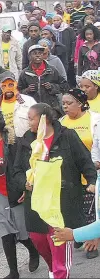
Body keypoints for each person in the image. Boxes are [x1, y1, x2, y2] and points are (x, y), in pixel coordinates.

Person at [13, 103, 97, 279]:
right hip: (36, 203)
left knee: (59, 243)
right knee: (38, 239)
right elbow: (16, 171)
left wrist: (91, 181)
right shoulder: (26, 140)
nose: (28, 123)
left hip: (62, 203)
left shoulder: (67, 136)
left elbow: (85, 161)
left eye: (31, 118)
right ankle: (53, 270)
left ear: (45, 119)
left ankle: (59, 273)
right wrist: (24, 184)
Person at [0, 107, 40, 279]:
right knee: (5, 232)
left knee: (22, 231)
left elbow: (26, 169)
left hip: (16, 192)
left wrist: (26, 191)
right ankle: (13, 272)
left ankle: (34, 252)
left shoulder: (13, 144)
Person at [59, 88, 100, 259]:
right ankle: (78, 233)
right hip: (70, 176)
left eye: (69, 103)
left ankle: (91, 245)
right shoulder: (61, 122)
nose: (65, 107)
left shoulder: (95, 120)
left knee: (92, 211)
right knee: (75, 208)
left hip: (92, 172)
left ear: (81, 104)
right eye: (63, 104)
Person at [18, 45, 69, 118]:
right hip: (33, 109)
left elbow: (64, 86)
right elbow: (18, 91)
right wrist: (27, 90)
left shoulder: (52, 70)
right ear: (29, 56)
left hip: (51, 108)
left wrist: (52, 87)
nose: (38, 55)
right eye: (35, 53)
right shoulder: (24, 73)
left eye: (40, 53)